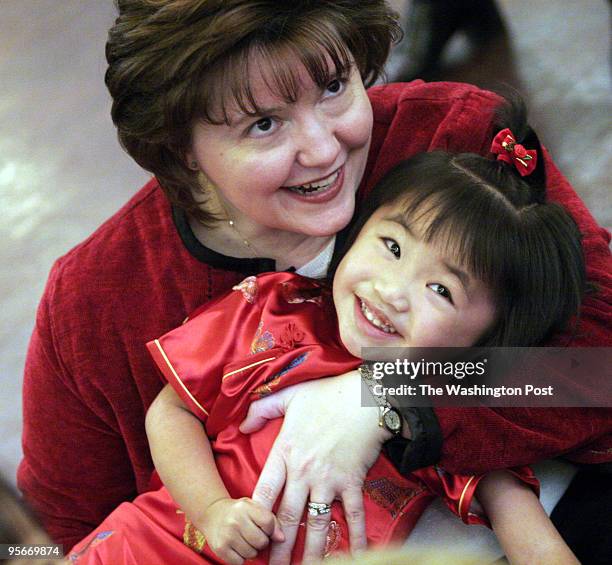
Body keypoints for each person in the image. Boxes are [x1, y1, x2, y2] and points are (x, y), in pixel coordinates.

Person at [18, 0, 611, 561]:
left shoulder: (452, 140)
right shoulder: (95, 300)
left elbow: (597, 370)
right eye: (264, 124)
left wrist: (388, 397)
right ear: (181, 148)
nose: (324, 149)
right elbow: (52, 535)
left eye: (334, 87)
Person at [67, 112, 581, 564]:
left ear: (487, 340)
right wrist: (212, 509)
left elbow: (533, 540)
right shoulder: (272, 308)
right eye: (392, 247)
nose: (391, 291)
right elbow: (171, 412)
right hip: (150, 546)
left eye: (441, 290)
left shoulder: (454, 422)